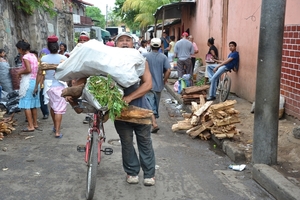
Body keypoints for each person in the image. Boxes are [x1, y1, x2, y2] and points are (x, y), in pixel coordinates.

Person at [114, 32, 156, 186]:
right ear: (115, 44)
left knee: (144, 141)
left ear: (133, 44)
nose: (124, 43)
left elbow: (148, 84)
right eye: (121, 41)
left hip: (141, 109)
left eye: (128, 40)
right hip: (120, 111)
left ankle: (149, 174)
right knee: (126, 142)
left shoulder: (140, 61)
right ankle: (132, 172)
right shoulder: (109, 62)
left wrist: (129, 98)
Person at [34, 35, 68, 138]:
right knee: (59, 109)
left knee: (53, 107)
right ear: (58, 46)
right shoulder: (63, 58)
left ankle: (54, 126)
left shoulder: (44, 58)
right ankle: (57, 131)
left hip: (48, 87)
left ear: (48, 47)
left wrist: (36, 86)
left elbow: (40, 73)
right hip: (60, 86)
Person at [143, 38, 171, 133]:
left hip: (147, 84)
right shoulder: (163, 57)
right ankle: (154, 123)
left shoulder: (145, 56)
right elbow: (168, 70)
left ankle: (154, 123)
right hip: (159, 85)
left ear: (150, 45)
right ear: (160, 46)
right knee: (154, 104)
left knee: (149, 104)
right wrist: (164, 79)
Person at [15, 40, 40, 132]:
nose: (18, 51)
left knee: (26, 104)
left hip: (28, 81)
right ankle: (35, 124)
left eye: (18, 49)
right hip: (35, 81)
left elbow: (28, 70)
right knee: (33, 104)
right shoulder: (33, 56)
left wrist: (19, 72)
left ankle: (30, 126)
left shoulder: (25, 57)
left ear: (21, 49)